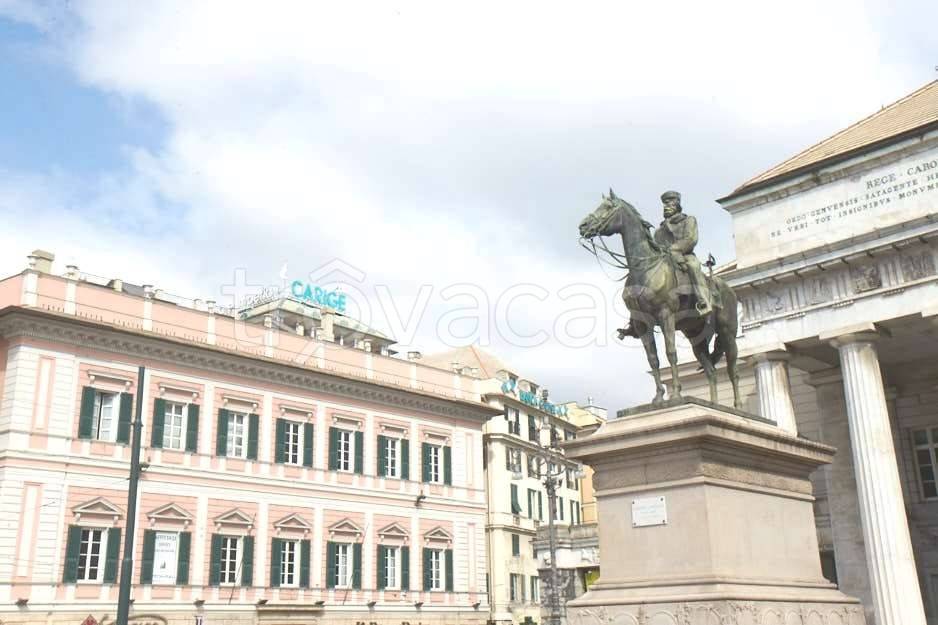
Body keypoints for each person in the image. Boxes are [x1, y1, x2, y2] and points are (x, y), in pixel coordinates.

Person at [654, 190, 712, 315]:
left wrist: (674, 249)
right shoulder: (659, 231)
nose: (666, 206)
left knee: (693, 266)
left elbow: (691, 239)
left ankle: (703, 301)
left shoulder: (688, 220)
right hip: (665, 260)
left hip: (685, 255)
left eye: (669, 203)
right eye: (664, 204)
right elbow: (656, 248)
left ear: (677, 204)